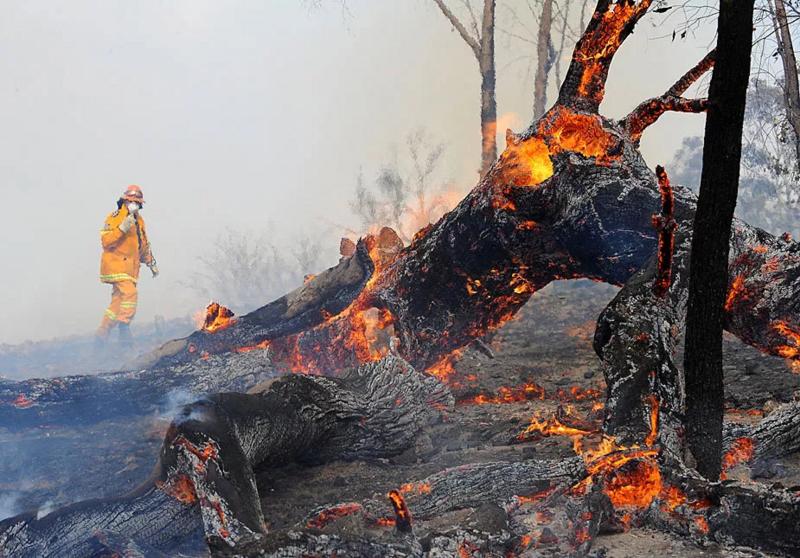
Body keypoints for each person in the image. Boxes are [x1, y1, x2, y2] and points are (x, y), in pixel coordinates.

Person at [95, 185, 159, 346]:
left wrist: (151, 262)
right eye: (131, 201)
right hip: (116, 266)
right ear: (124, 200)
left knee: (116, 305)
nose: (134, 205)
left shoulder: (139, 221)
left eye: (137, 202)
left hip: (130, 269)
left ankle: (101, 336)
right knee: (130, 294)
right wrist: (122, 228)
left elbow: (142, 244)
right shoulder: (115, 217)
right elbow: (106, 241)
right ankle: (124, 327)